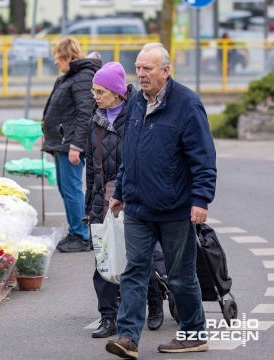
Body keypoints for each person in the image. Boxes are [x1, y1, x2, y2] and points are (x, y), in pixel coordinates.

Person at [105, 43, 217, 359]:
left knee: (180, 275)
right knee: (134, 271)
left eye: (147, 69)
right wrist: (122, 191)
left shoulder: (187, 104)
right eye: (138, 68)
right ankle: (128, 338)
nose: (140, 74)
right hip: (139, 207)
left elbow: (203, 157)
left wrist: (201, 199)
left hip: (176, 208)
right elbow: (131, 152)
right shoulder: (136, 104)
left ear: (165, 71)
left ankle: (195, 334)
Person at [84, 62, 166, 338]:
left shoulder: (136, 117)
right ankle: (108, 317)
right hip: (100, 201)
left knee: (137, 259)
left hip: (131, 200)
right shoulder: (94, 120)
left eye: (100, 91)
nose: (95, 97)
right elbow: (90, 167)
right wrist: (89, 207)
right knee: (103, 260)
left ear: (118, 93)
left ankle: (153, 303)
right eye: (93, 91)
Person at [41, 37, 100, 253]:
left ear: (70, 57)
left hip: (70, 144)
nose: (56, 62)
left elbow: (86, 113)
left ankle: (81, 235)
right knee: (66, 189)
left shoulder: (82, 77)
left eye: (59, 58)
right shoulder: (71, 76)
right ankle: (76, 231)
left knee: (72, 189)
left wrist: (76, 146)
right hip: (62, 142)